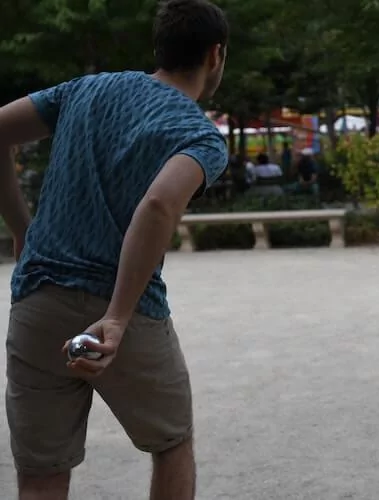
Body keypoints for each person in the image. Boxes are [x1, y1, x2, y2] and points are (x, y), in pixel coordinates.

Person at [0, 1, 229, 498]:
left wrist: (23, 226)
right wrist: (119, 315)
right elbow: (158, 204)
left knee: (42, 472)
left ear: (159, 48)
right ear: (215, 56)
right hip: (126, 310)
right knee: (171, 442)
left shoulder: (85, 89)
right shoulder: (199, 136)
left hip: (39, 299)